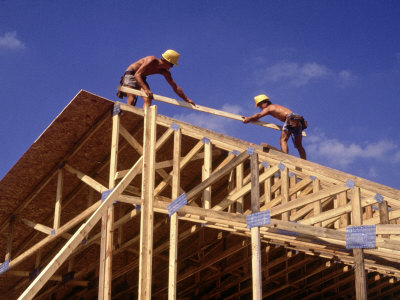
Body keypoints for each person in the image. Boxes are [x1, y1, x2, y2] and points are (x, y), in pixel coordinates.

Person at [117, 49, 196, 108]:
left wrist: (187, 99)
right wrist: (146, 89)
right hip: (132, 74)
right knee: (131, 97)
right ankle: (129, 114)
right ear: (167, 61)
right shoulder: (151, 60)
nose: (171, 67)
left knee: (148, 98)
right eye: (172, 65)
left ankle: (145, 117)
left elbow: (175, 87)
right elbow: (137, 75)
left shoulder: (165, 72)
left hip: (141, 77)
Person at [242, 94, 307, 159]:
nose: (260, 108)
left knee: (283, 140)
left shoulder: (269, 108)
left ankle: (285, 159)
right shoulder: (275, 106)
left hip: (291, 118)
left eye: (259, 105)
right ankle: (304, 162)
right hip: (298, 120)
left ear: (264, 103)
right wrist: (249, 118)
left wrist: (248, 119)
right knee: (299, 145)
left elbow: (259, 115)